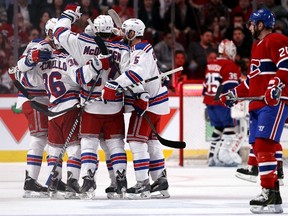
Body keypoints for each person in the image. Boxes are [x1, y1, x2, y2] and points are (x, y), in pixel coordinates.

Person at [11, 24, 100, 199]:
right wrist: (94, 68)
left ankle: (54, 182)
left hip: (52, 108)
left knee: (54, 147)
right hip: (63, 105)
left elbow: (28, 78)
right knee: (73, 146)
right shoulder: (63, 56)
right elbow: (80, 77)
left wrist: (31, 64)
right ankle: (71, 181)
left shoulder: (47, 61)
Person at [53, 5, 130, 199]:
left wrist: (68, 14)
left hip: (91, 104)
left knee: (88, 144)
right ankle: (120, 183)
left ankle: (88, 182)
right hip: (114, 105)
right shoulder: (122, 48)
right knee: (116, 145)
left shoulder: (81, 41)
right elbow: (130, 74)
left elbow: (60, 32)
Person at [219, 8, 288, 214]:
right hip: (258, 103)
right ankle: (273, 189)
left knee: (263, 144)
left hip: (274, 102)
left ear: (259, 24)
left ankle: (270, 193)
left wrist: (275, 87)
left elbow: (286, 66)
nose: (249, 27)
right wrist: (234, 93)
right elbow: (252, 80)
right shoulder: (257, 46)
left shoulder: (276, 39)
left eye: (252, 23)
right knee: (259, 146)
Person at [101, 18, 170, 199]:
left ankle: (143, 184)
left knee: (136, 141)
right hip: (156, 100)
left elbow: (136, 73)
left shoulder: (139, 50)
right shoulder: (142, 47)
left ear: (133, 33)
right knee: (151, 143)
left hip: (147, 101)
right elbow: (150, 71)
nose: (123, 34)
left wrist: (115, 84)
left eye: (126, 31)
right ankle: (160, 181)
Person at [10, 18, 56, 198]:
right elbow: (18, 67)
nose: (55, 37)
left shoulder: (63, 48)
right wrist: (31, 58)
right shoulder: (36, 44)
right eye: (53, 33)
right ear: (48, 31)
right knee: (40, 138)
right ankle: (31, 180)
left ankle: (48, 179)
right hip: (33, 97)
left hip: (49, 99)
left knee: (50, 140)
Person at [203, 39, 242, 167]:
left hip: (210, 103)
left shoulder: (211, 64)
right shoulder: (230, 66)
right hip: (222, 103)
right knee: (230, 126)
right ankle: (225, 156)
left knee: (219, 128)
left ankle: (212, 156)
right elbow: (231, 88)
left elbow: (204, 88)